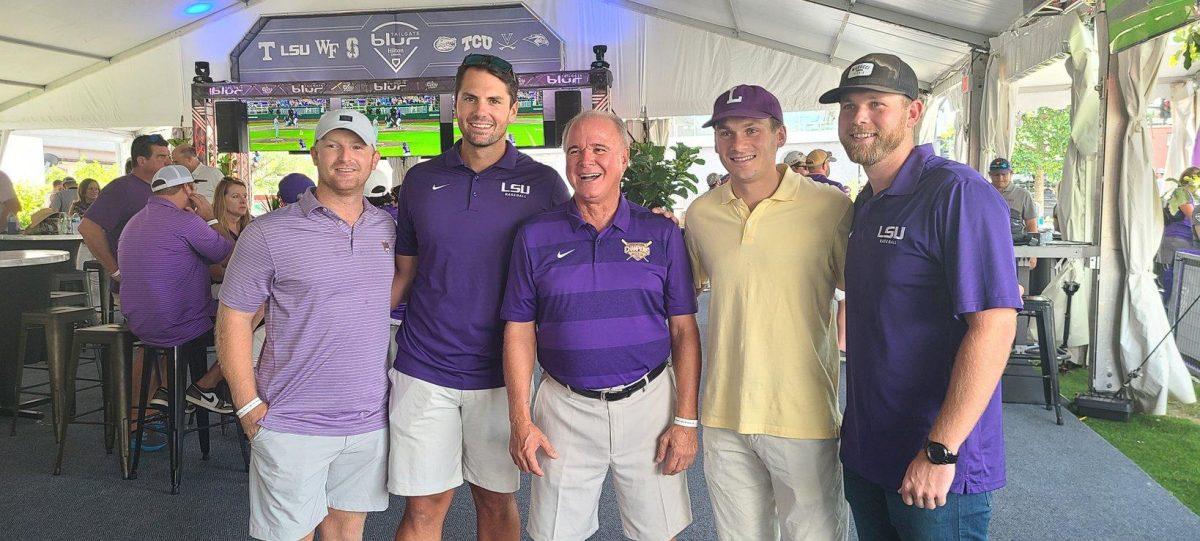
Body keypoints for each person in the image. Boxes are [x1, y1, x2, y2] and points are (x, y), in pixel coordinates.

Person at [823, 53, 1021, 539]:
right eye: (849, 107)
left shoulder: (958, 192)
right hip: (870, 449)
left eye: (876, 104)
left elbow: (995, 325)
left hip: (936, 460)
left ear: (913, 112)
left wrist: (941, 448)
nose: (859, 119)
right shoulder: (866, 204)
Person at [388, 53, 570, 541]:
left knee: (495, 500)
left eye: (494, 100)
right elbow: (403, 274)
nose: (480, 110)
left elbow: (565, 278)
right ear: (455, 105)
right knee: (425, 507)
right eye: (470, 97)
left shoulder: (545, 185)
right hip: (424, 367)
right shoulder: (421, 181)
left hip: (502, 375)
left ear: (513, 110)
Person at [501, 110, 702, 541]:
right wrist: (520, 418)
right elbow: (518, 330)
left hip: (649, 404)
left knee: (657, 531)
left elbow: (684, 331)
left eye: (599, 149)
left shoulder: (662, 234)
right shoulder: (534, 235)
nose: (585, 160)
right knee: (556, 534)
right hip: (562, 409)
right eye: (574, 150)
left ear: (625, 158)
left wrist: (686, 421)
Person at [684, 84, 852, 540]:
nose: (738, 145)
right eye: (725, 132)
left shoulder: (831, 207)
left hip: (802, 412)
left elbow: (863, 293)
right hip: (724, 412)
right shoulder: (700, 215)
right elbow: (681, 300)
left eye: (752, 130)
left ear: (780, 135)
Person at [217, 109, 394, 541]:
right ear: (314, 154)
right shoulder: (268, 234)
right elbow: (233, 319)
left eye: (356, 146)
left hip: (369, 421)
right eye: (333, 145)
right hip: (290, 421)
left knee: (347, 532)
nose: (344, 157)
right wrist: (245, 404)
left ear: (374, 158)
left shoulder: (388, 227)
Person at [117, 165, 235, 416]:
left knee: (182, 313)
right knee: (257, 320)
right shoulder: (187, 221)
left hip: (139, 324)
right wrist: (210, 218)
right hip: (179, 325)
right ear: (187, 189)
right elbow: (232, 257)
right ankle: (205, 385)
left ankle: (168, 393)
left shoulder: (134, 222)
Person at [80, 134, 171, 285]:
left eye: (168, 157)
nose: (168, 162)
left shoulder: (163, 188)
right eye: (161, 157)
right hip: (137, 285)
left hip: (163, 280)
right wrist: (115, 271)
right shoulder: (121, 188)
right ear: (141, 161)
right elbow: (88, 228)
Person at [989, 157, 1039, 269]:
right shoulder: (983, 193)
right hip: (989, 248)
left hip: (1017, 248)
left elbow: (1031, 225)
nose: (1000, 178)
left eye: (1004, 174)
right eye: (996, 175)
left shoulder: (1023, 195)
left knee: (1019, 283)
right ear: (990, 175)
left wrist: (1033, 252)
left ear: (1011, 174)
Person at [1158, 167, 1200, 287]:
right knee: (1173, 277)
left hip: (1181, 238)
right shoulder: (1181, 193)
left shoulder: (1189, 196)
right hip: (1176, 238)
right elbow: (1193, 215)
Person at [211, 177, 251, 244]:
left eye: (245, 196)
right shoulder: (211, 227)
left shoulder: (252, 224)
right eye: (235, 196)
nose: (243, 201)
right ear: (222, 200)